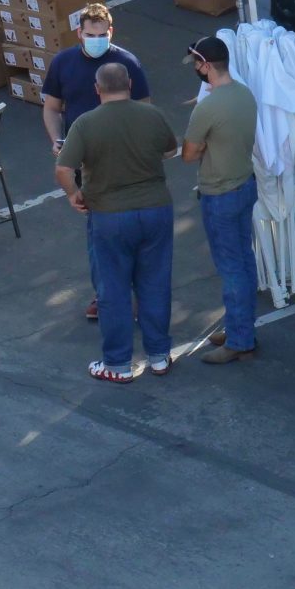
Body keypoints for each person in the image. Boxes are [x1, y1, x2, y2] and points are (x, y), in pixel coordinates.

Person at [56, 63, 178, 383]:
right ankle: (160, 356)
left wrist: (74, 195)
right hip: (156, 209)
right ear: (131, 84)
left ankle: (118, 364)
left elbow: (63, 170)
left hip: (109, 216)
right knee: (154, 283)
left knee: (114, 290)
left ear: (97, 89)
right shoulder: (152, 115)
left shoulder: (85, 124)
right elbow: (170, 150)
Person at [42, 3, 150, 322]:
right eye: (90, 35)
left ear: (110, 33)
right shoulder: (63, 63)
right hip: (84, 162)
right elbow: (51, 108)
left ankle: (113, 295)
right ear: (79, 33)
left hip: (121, 162)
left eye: (101, 35)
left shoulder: (127, 63)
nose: (96, 40)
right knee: (98, 232)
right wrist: (56, 139)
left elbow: (144, 109)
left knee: (108, 233)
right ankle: (107, 293)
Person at [181, 36, 259, 364]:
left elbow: (188, 155)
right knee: (244, 260)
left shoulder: (207, 107)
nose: (196, 70)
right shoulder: (244, 94)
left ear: (207, 66)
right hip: (245, 185)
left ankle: (239, 340)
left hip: (219, 194)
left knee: (231, 269)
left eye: (197, 64)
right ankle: (241, 326)